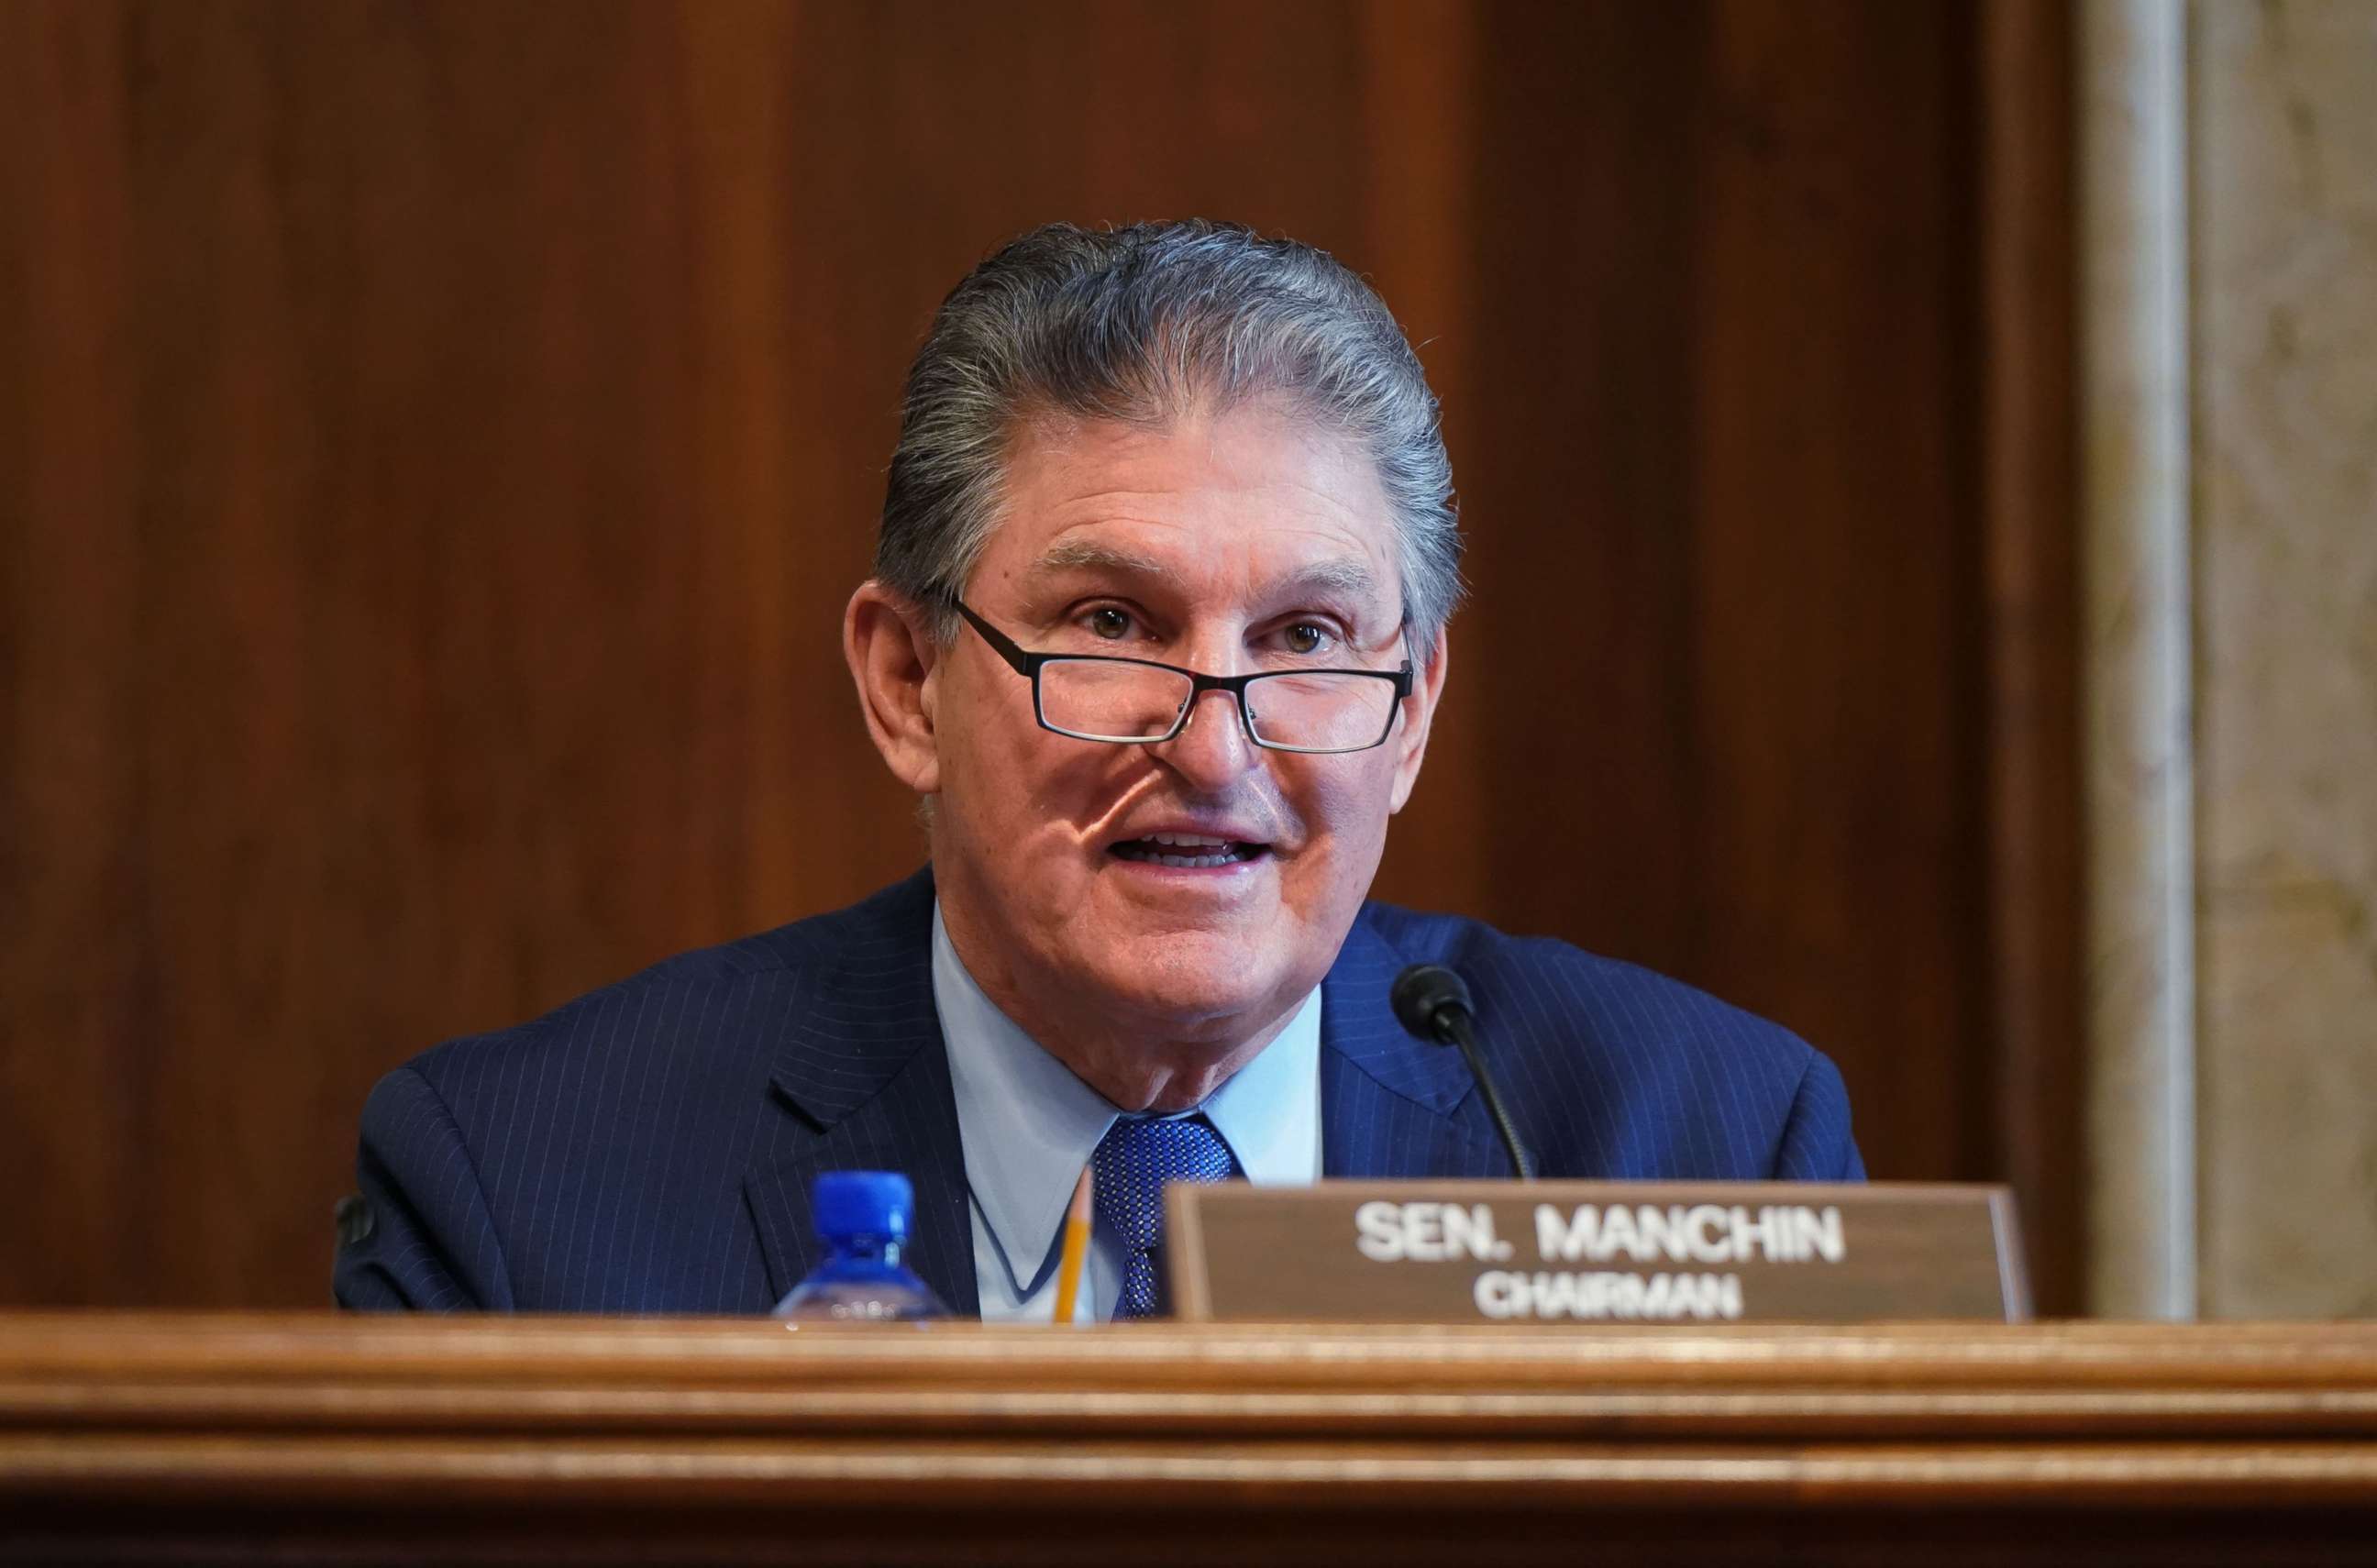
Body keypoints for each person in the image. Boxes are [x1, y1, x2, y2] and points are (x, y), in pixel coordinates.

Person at [335, 220, 1862, 1317]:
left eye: (1309, 633)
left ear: (1414, 706)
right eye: (1113, 624)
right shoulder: (525, 1200)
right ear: (905, 683)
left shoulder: (1712, 1148)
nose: (1212, 747)